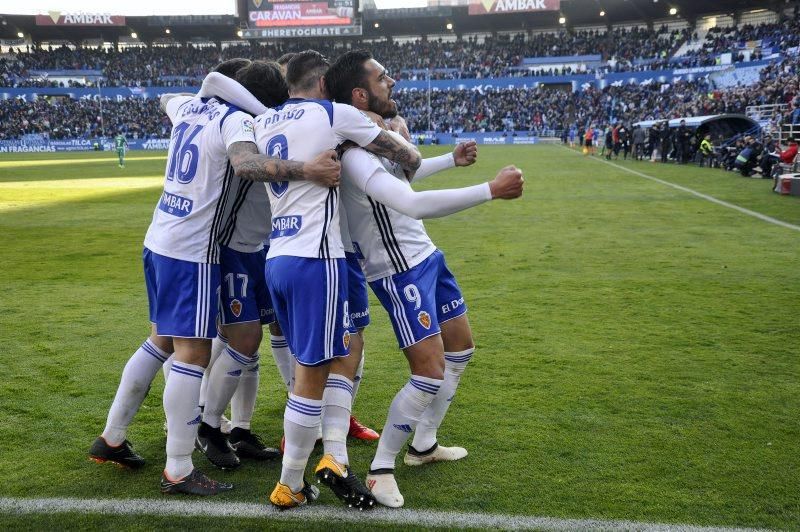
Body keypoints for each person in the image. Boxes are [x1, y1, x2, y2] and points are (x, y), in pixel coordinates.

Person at [88, 59, 341, 496]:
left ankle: (111, 437)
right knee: (191, 355)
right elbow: (245, 165)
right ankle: (180, 467)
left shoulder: (188, 107)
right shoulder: (236, 120)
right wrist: (308, 169)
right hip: (193, 251)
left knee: (161, 341)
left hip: (159, 237)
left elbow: (174, 96)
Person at [326, 49, 524, 508]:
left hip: (426, 256)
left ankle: (424, 445)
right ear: (360, 93)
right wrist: (489, 191)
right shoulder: (353, 152)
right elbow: (408, 203)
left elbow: (405, 177)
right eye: (381, 78)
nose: (390, 81)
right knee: (429, 372)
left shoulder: (375, 138)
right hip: (398, 270)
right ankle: (379, 470)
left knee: (461, 350)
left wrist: (449, 161)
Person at [253, 50, 422, 510]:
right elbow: (407, 158)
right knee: (313, 373)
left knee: (326, 358)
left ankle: (325, 463)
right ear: (326, 80)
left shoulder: (265, 121)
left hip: (278, 256)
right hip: (317, 259)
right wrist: (395, 133)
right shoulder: (335, 113)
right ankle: (291, 481)